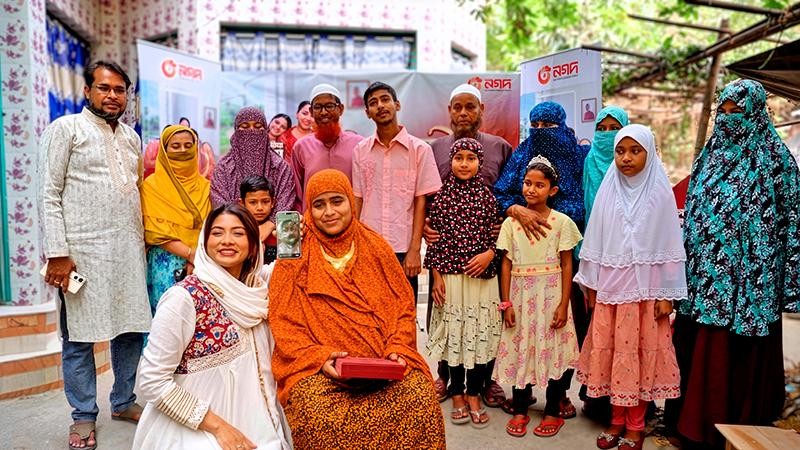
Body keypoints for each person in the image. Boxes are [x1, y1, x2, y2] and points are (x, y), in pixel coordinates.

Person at [268, 169, 446, 449]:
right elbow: (284, 321)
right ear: (307, 211)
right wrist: (320, 358)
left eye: (337, 201)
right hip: (320, 370)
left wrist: (398, 348)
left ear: (352, 202)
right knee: (317, 413)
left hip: (382, 366)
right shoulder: (295, 255)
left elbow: (403, 309)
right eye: (319, 204)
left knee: (420, 397)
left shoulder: (377, 247)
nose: (329, 212)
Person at [667, 80, 800, 449]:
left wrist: (788, 282)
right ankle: (691, 424)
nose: (728, 120)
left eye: (736, 112)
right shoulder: (709, 156)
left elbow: (793, 224)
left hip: (750, 284)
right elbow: (692, 211)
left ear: (755, 113)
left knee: (732, 355)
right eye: (722, 112)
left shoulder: (777, 160)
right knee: (701, 348)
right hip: (704, 278)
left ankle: (738, 429)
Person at [39, 60, 152, 450]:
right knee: (78, 339)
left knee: (131, 331)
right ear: (87, 90)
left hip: (127, 252)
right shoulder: (65, 130)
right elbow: (48, 194)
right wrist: (58, 253)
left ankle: (123, 401)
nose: (112, 96)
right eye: (104, 88)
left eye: (120, 90)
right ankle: (83, 416)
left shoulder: (132, 138)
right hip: (81, 255)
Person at [133, 204, 292, 450]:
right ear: (204, 243)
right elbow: (152, 380)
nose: (226, 241)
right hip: (196, 430)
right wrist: (219, 427)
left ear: (253, 247)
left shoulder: (258, 288)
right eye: (217, 233)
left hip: (259, 425)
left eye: (238, 233)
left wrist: (305, 231)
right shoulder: (184, 298)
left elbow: (296, 268)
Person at [574, 124, 684, 450]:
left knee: (639, 359)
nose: (626, 158)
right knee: (614, 361)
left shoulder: (660, 193)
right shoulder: (609, 190)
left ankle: (636, 425)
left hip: (647, 297)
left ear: (649, 154)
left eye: (635, 151)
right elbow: (595, 238)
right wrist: (592, 286)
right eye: (621, 151)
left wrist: (667, 295)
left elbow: (670, 244)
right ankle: (616, 421)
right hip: (611, 292)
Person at [494, 100, 590, 418]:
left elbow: (583, 203)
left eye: (547, 128)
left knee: (559, 330)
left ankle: (558, 396)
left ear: (561, 127)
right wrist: (518, 209)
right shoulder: (523, 153)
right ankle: (523, 392)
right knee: (524, 331)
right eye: (534, 127)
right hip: (522, 259)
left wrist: (550, 217)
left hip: (562, 258)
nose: (540, 133)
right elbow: (501, 193)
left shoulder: (578, 156)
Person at [426, 82, 513, 408]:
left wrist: (503, 225)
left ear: (481, 111)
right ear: (449, 111)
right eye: (457, 107)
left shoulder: (500, 147)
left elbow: (513, 193)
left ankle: (487, 380)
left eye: (470, 107)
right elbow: (422, 195)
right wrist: (423, 227)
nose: (463, 113)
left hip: (486, 251)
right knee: (446, 312)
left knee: (484, 315)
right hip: (445, 250)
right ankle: (445, 375)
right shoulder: (433, 149)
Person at [425, 138, 502, 429]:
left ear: (480, 163)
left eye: (471, 158)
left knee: (480, 333)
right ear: (451, 161)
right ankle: (457, 392)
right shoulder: (442, 196)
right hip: (451, 279)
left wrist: (489, 254)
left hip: (482, 281)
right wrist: (435, 278)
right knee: (455, 336)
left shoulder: (488, 197)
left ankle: (474, 393)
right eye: (459, 158)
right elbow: (434, 241)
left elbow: (498, 237)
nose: (465, 163)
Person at [352, 81, 442, 302]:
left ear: (397, 105)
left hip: (403, 249)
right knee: (370, 313)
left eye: (385, 99)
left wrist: (414, 250)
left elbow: (421, 202)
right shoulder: (361, 151)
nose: (380, 106)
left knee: (404, 316)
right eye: (373, 103)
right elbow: (358, 200)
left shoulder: (420, 150)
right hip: (368, 247)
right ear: (367, 113)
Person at [577, 105, 629, 421]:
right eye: (603, 128)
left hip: (628, 259)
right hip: (595, 252)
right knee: (597, 330)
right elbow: (586, 206)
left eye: (614, 128)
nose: (608, 135)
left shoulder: (636, 163)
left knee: (626, 332)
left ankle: (626, 401)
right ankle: (595, 398)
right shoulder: (589, 162)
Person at [141, 125, 211, 315]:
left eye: (188, 145)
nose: (182, 151)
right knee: (166, 319)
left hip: (203, 263)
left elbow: (210, 227)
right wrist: (190, 254)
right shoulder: (151, 186)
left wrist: (198, 257)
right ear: (164, 150)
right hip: (166, 263)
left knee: (198, 322)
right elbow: (155, 231)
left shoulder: (206, 187)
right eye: (175, 146)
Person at [210, 106, 297, 215]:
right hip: (235, 228)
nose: (251, 131)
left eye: (258, 126)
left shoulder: (280, 167)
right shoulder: (224, 167)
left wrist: (269, 225)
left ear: (265, 130)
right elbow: (219, 202)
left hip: (272, 230)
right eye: (245, 127)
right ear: (236, 131)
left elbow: (286, 200)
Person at [291, 84, 363, 210]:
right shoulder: (301, 147)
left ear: (340, 109)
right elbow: (297, 194)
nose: (324, 112)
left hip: (351, 222)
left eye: (329, 106)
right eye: (318, 107)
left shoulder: (359, 145)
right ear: (312, 112)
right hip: (312, 222)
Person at [239, 175, 278, 264]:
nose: (260, 208)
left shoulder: (279, 231)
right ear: (242, 203)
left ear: (273, 202)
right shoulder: (238, 230)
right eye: (253, 202)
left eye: (265, 201)